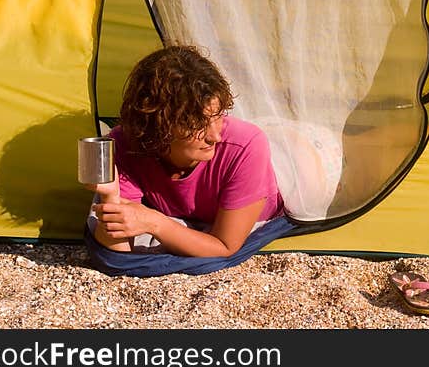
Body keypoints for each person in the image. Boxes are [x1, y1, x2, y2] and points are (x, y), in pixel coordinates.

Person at [83, 44, 285, 257]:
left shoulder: (245, 147)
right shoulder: (125, 145)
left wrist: (155, 223)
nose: (214, 136)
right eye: (196, 124)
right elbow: (120, 255)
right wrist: (110, 197)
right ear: (159, 123)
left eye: (217, 117)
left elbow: (225, 246)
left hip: (295, 167)